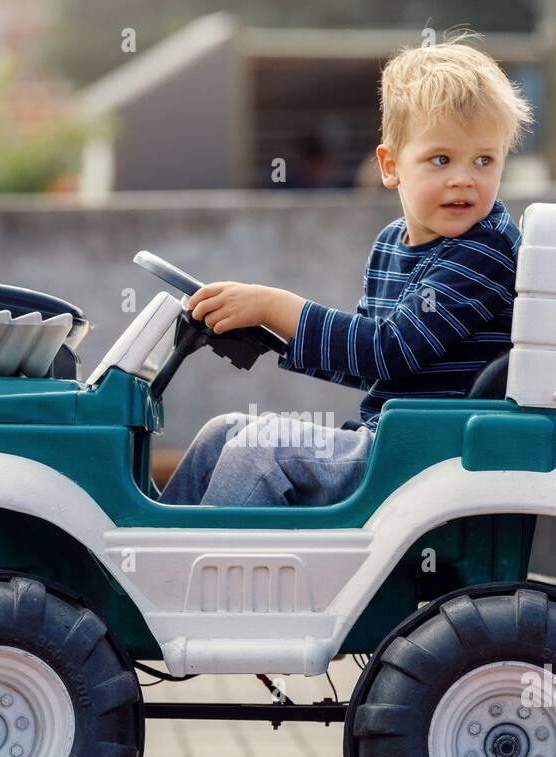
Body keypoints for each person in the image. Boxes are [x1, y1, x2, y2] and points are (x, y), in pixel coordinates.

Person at [158, 33, 532, 507]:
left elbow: (386, 350)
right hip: (390, 443)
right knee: (222, 435)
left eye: (484, 159)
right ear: (391, 165)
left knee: (262, 452)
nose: (464, 177)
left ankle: (205, 576)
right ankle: (143, 570)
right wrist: (272, 330)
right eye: (441, 159)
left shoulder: (486, 249)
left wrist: (276, 306)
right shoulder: (391, 245)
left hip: (430, 458)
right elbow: (366, 361)